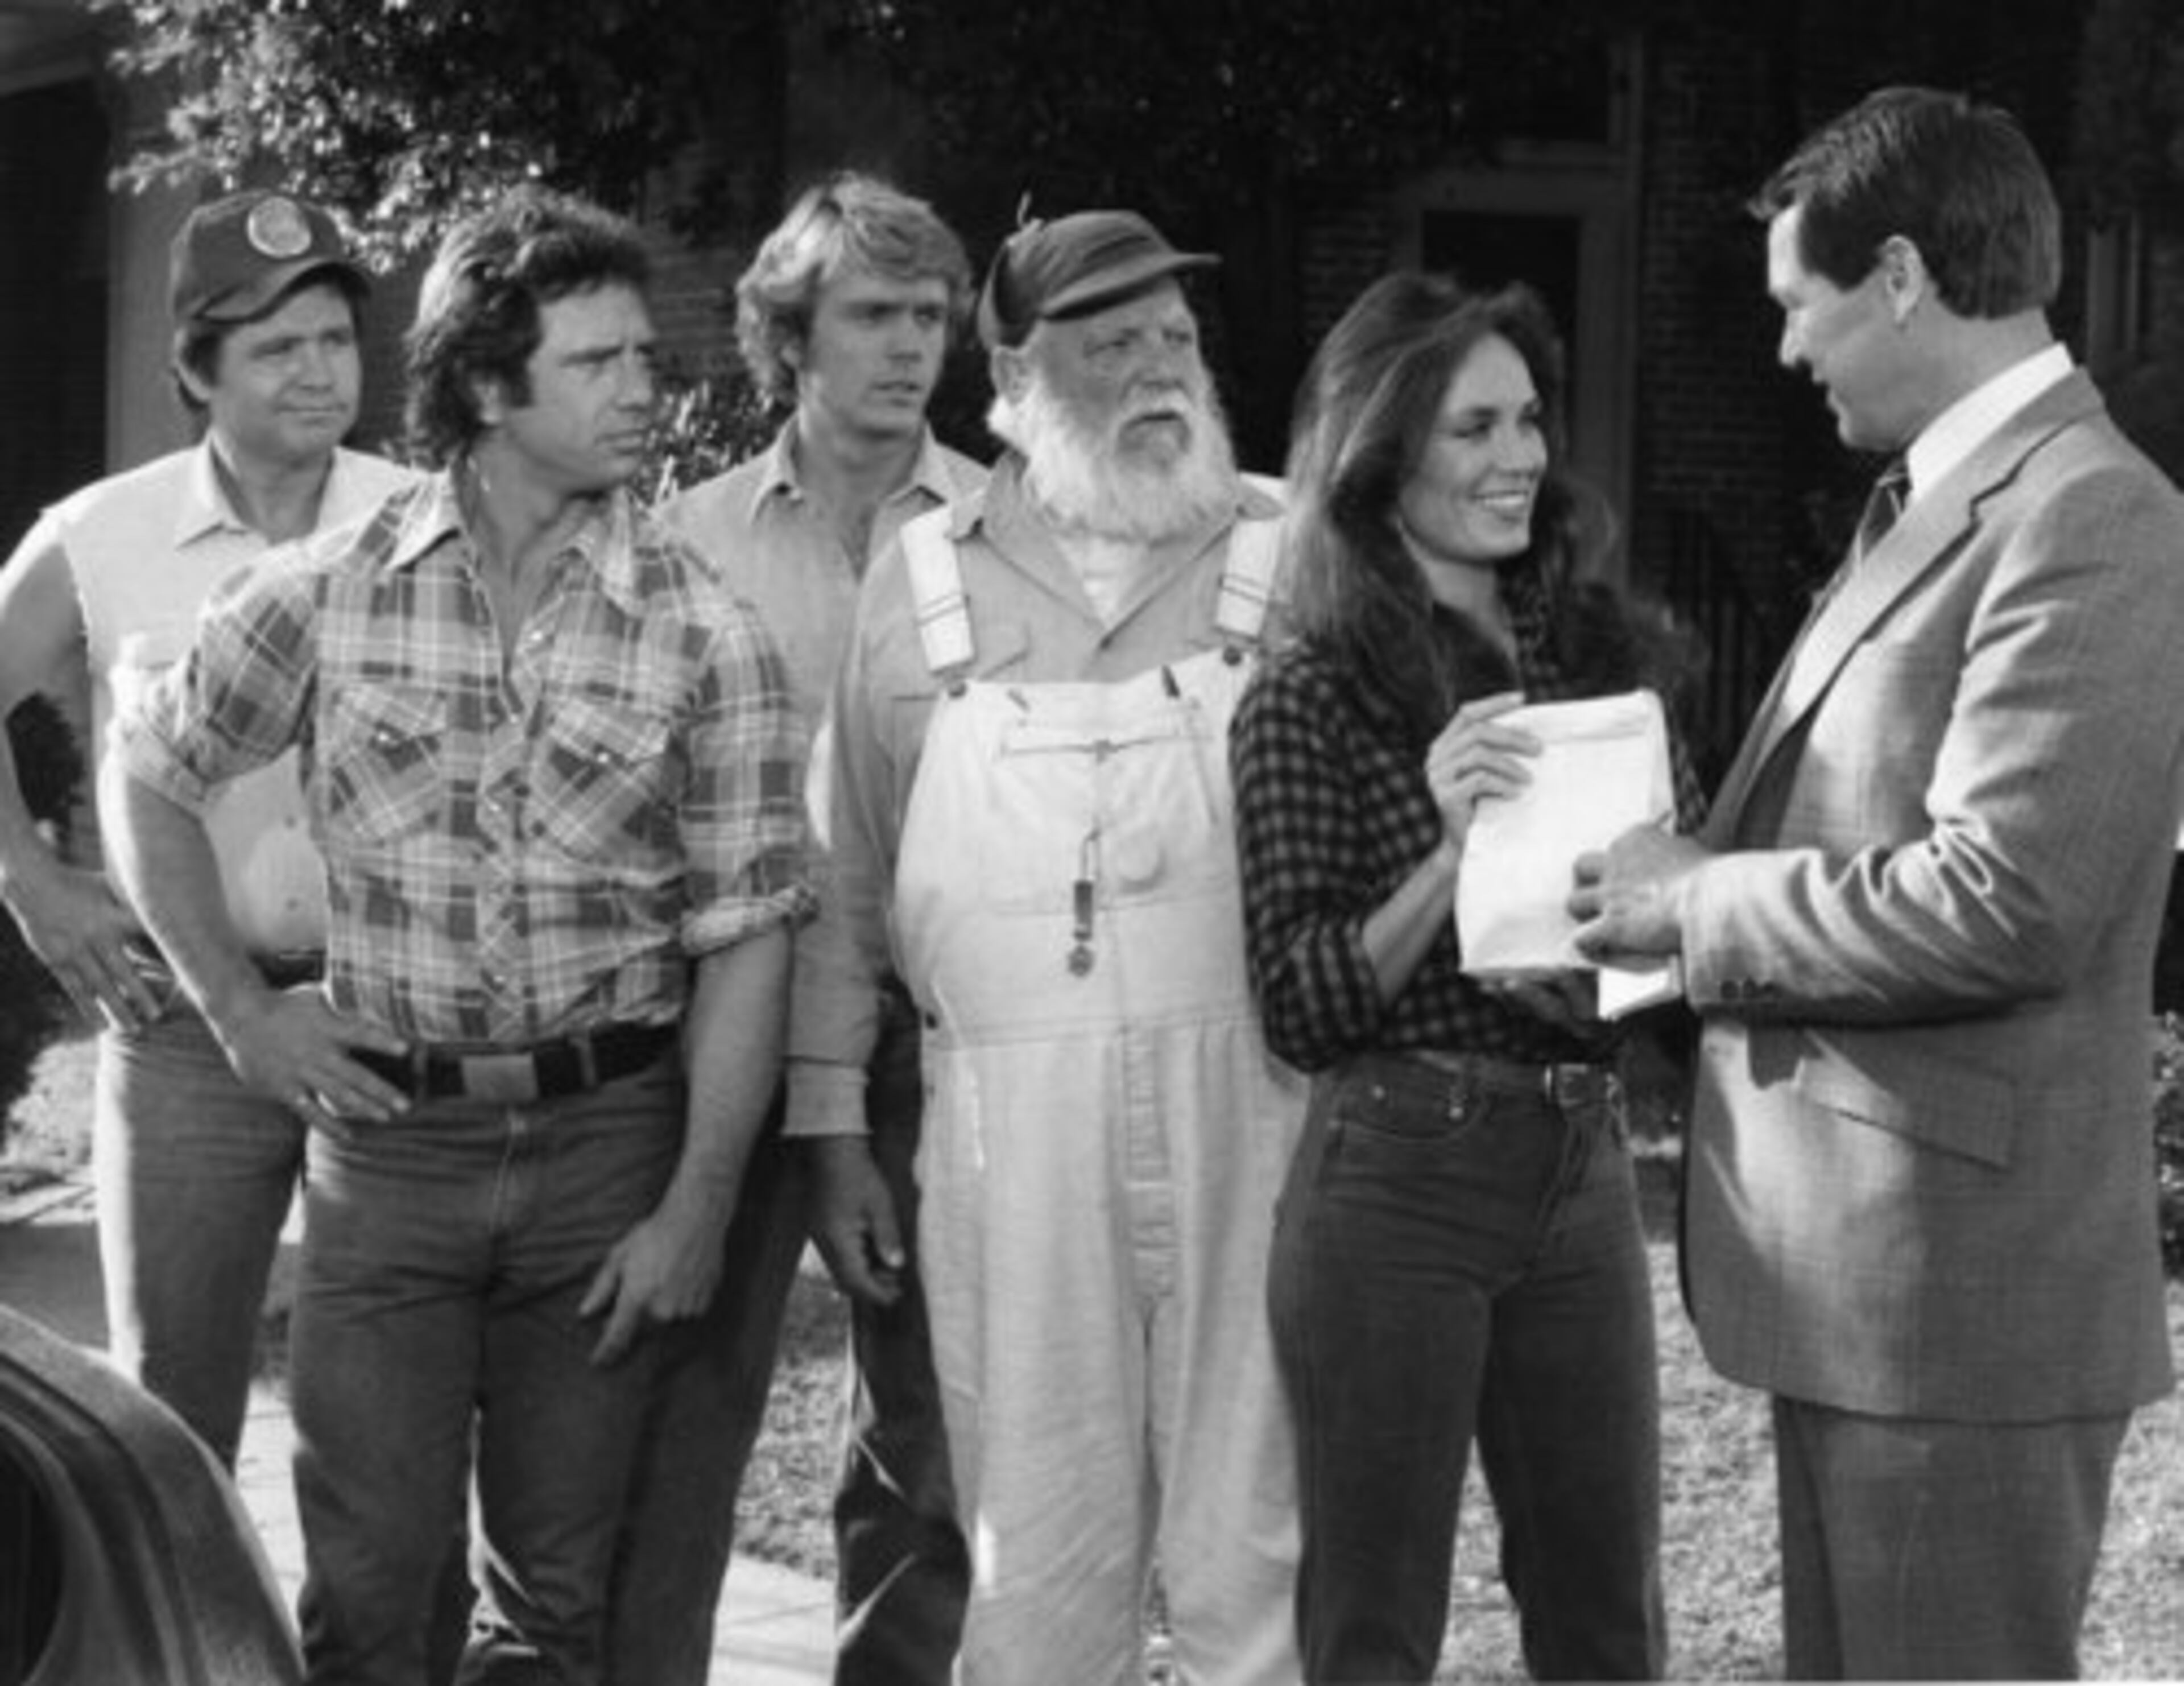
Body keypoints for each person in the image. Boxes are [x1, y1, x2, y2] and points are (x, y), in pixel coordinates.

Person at [104, 187, 814, 1685]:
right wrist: (243, 1014)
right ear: (490, 386)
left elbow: (749, 937)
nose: (646, 389)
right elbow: (147, 776)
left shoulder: (711, 631)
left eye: (645, 360)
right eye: (602, 362)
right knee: (369, 1593)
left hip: (610, 1145)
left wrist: (695, 1209)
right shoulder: (330, 591)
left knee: (554, 1604)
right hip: (390, 1146)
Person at [1570, 86, 2184, 1680]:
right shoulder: (1941, 496)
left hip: (1959, 1312)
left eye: (1800, 305)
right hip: (1876, 1296)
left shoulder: (2096, 513)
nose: (1788, 351)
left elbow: (2008, 898)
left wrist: (1695, 904)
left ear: (1901, 275)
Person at [796, 208, 1306, 1684]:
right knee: (1035, 1558)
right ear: (1012, 380)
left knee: (1260, 1553)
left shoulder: (1293, 554)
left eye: (1176, 339)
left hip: (1261, 1104)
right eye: (1110, 343)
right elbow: (846, 884)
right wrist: (832, 1125)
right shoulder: (919, 588)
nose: (1159, 369)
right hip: (1005, 1131)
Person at [1228, 272, 1681, 1683]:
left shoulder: (1592, 653)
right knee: (1373, 1633)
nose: (1521, 457)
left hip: (1582, 1151)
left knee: (1607, 1618)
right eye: (1475, 427)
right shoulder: (1308, 689)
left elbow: (1668, 917)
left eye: (1530, 420)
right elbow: (1302, 1004)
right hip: (1398, 1172)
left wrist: (1669, 887)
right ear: (1383, 454)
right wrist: (1445, 851)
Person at [607, 170, 983, 1686]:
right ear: (791, 334)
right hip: (715, 1029)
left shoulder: (1004, 528)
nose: (910, 346)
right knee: (683, 1428)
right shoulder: (676, 544)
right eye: (874, 314)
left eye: (933, 315)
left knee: (927, 1437)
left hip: (935, 1033)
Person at [0, 189, 412, 1469]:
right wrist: (33, 883)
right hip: (186, 1038)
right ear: (196, 369)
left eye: (335, 339)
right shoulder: (103, 533)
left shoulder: (426, 516)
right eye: (275, 346)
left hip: (391, 1029)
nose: (317, 371)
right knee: (169, 1425)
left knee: (391, 1424)